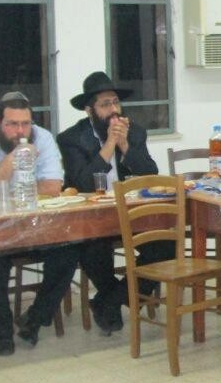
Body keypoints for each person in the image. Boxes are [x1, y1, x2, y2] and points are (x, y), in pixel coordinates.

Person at [57, 72, 173, 335]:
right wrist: (110, 144)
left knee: (167, 246)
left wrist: (125, 146)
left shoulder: (135, 132)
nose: (113, 110)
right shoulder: (71, 138)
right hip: (92, 218)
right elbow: (82, 182)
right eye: (105, 104)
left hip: (132, 215)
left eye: (116, 103)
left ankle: (108, 301)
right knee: (92, 251)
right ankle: (114, 300)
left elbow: (150, 174)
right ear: (89, 111)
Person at [0, 92, 80, 355]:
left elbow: (52, 187)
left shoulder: (43, 138)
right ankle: (3, 332)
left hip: (37, 229)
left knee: (69, 251)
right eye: (12, 124)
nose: (21, 131)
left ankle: (34, 318)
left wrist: (9, 187)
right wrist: (16, 156)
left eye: (26, 123)